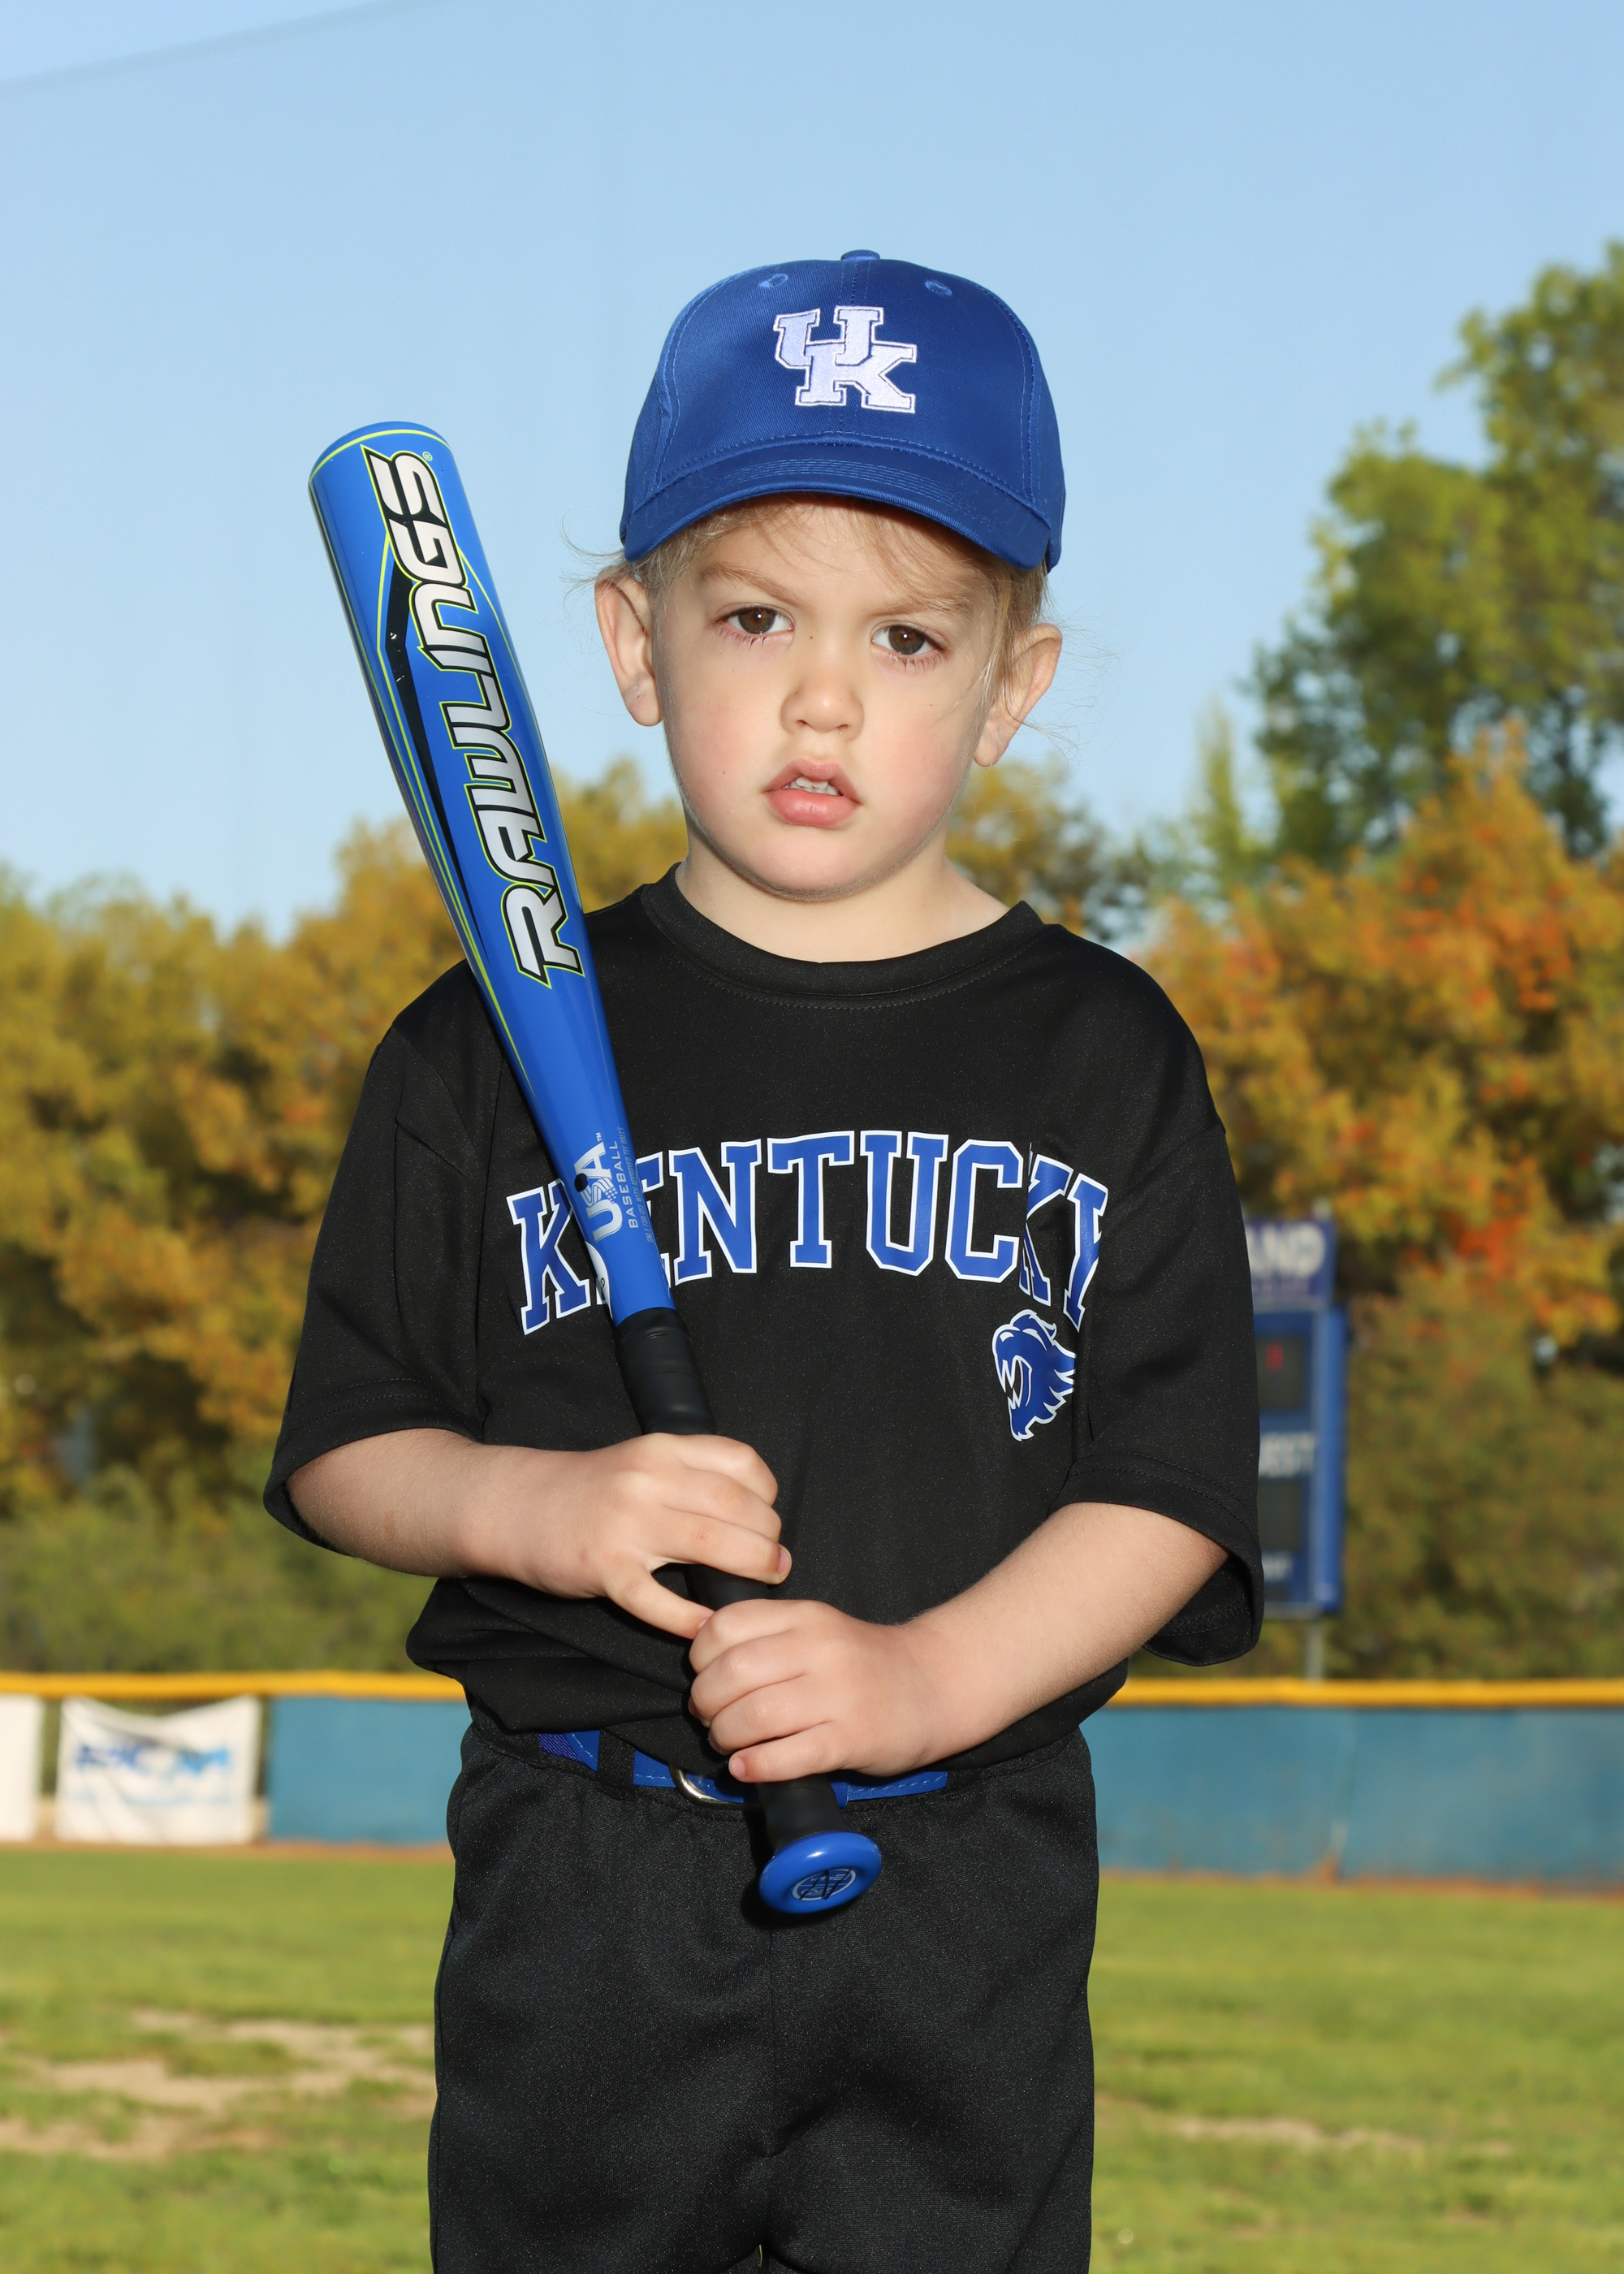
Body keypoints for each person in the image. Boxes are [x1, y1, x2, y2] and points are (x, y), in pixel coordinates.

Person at [266, 252, 1262, 2274]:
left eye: (906, 635)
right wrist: (536, 1505)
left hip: (961, 1876)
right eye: (752, 616)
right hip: (587, 1879)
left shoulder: (1103, 1052)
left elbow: (1166, 1488)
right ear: (632, 642)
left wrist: (921, 1675)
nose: (823, 696)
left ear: (1013, 684)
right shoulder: (477, 1045)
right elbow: (351, 1438)